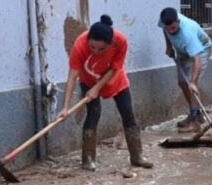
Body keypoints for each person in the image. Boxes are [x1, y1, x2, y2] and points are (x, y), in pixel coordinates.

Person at [58, 15, 153, 171]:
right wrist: (65, 107)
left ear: (111, 43)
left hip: (115, 79)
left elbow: (115, 67)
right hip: (88, 80)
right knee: (93, 114)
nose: (96, 51)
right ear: (88, 39)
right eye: (92, 47)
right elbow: (72, 76)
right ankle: (88, 159)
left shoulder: (120, 41)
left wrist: (98, 87)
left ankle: (137, 156)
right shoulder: (79, 45)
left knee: (128, 113)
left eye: (102, 49)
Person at [158, 7, 212, 133]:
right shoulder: (165, 22)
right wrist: (169, 46)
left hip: (201, 51)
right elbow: (164, 30)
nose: (170, 31)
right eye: (168, 28)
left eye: (173, 28)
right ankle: (196, 114)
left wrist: (193, 82)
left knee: (190, 84)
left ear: (178, 22)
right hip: (183, 52)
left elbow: (197, 60)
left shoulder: (187, 34)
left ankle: (194, 121)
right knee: (182, 83)